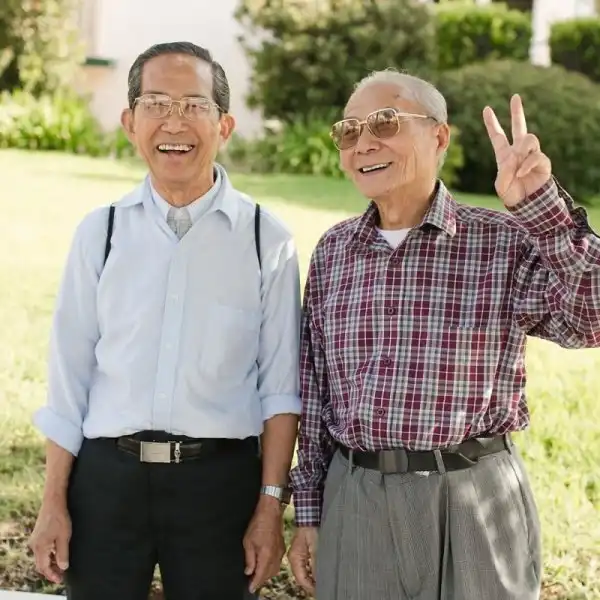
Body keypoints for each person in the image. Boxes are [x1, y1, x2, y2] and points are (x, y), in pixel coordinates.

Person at [287, 69, 600, 600]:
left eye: (385, 122)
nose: (364, 143)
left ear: (439, 136)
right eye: (349, 131)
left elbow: (590, 322)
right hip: (358, 501)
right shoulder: (335, 251)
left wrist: (543, 213)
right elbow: (315, 393)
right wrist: (310, 513)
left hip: (475, 496)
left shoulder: (501, 240)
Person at [28, 41, 301, 600]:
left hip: (219, 488)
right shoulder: (100, 232)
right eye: (155, 103)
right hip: (106, 482)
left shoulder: (265, 239)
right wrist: (53, 499)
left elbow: (280, 390)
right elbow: (69, 379)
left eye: (193, 105)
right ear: (130, 123)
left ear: (224, 125)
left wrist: (270, 507)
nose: (174, 122)